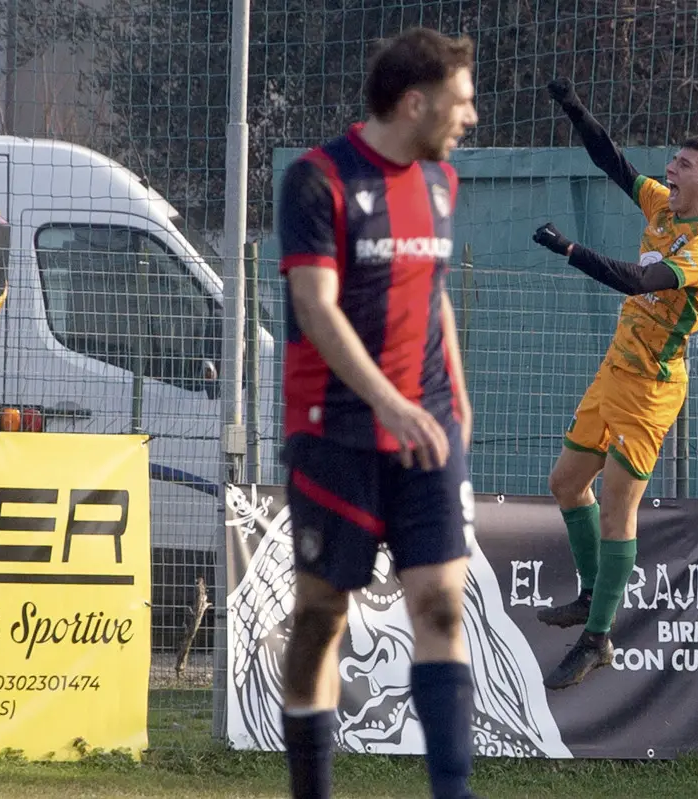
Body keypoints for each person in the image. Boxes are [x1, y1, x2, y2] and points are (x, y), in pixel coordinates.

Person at [276, 26, 482, 799]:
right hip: (336, 434)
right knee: (322, 616)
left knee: (441, 603)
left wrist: (454, 404)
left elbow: (436, 300)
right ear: (414, 101)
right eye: (461, 103)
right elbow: (315, 308)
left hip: (425, 431)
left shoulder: (441, 183)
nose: (470, 117)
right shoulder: (316, 180)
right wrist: (388, 402)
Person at [530, 77, 698, 690]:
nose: (670, 169)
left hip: (650, 389)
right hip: (614, 371)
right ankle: (592, 593)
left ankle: (598, 637)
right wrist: (573, 105)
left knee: (619, 506)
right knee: (566, 483)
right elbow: (612, 161)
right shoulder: (661, 207)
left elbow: (636, 283)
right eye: (674, 161)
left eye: (684, 165)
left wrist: (570, 250)